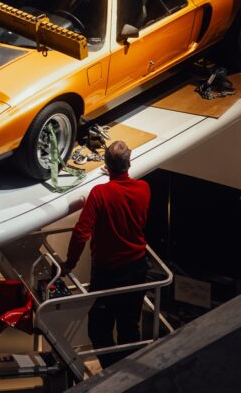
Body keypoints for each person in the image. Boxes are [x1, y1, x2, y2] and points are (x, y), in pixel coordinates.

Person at [60, 140, 150, 368]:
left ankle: (112, 370)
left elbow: (81, 232)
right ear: (129, 163)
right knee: (129, 326)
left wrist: (69, 264)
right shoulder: (144, 188)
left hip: (108, 271)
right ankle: (127, 374)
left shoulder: (100, 193)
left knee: (98, 328)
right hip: (137, 266)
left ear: (107, 166)